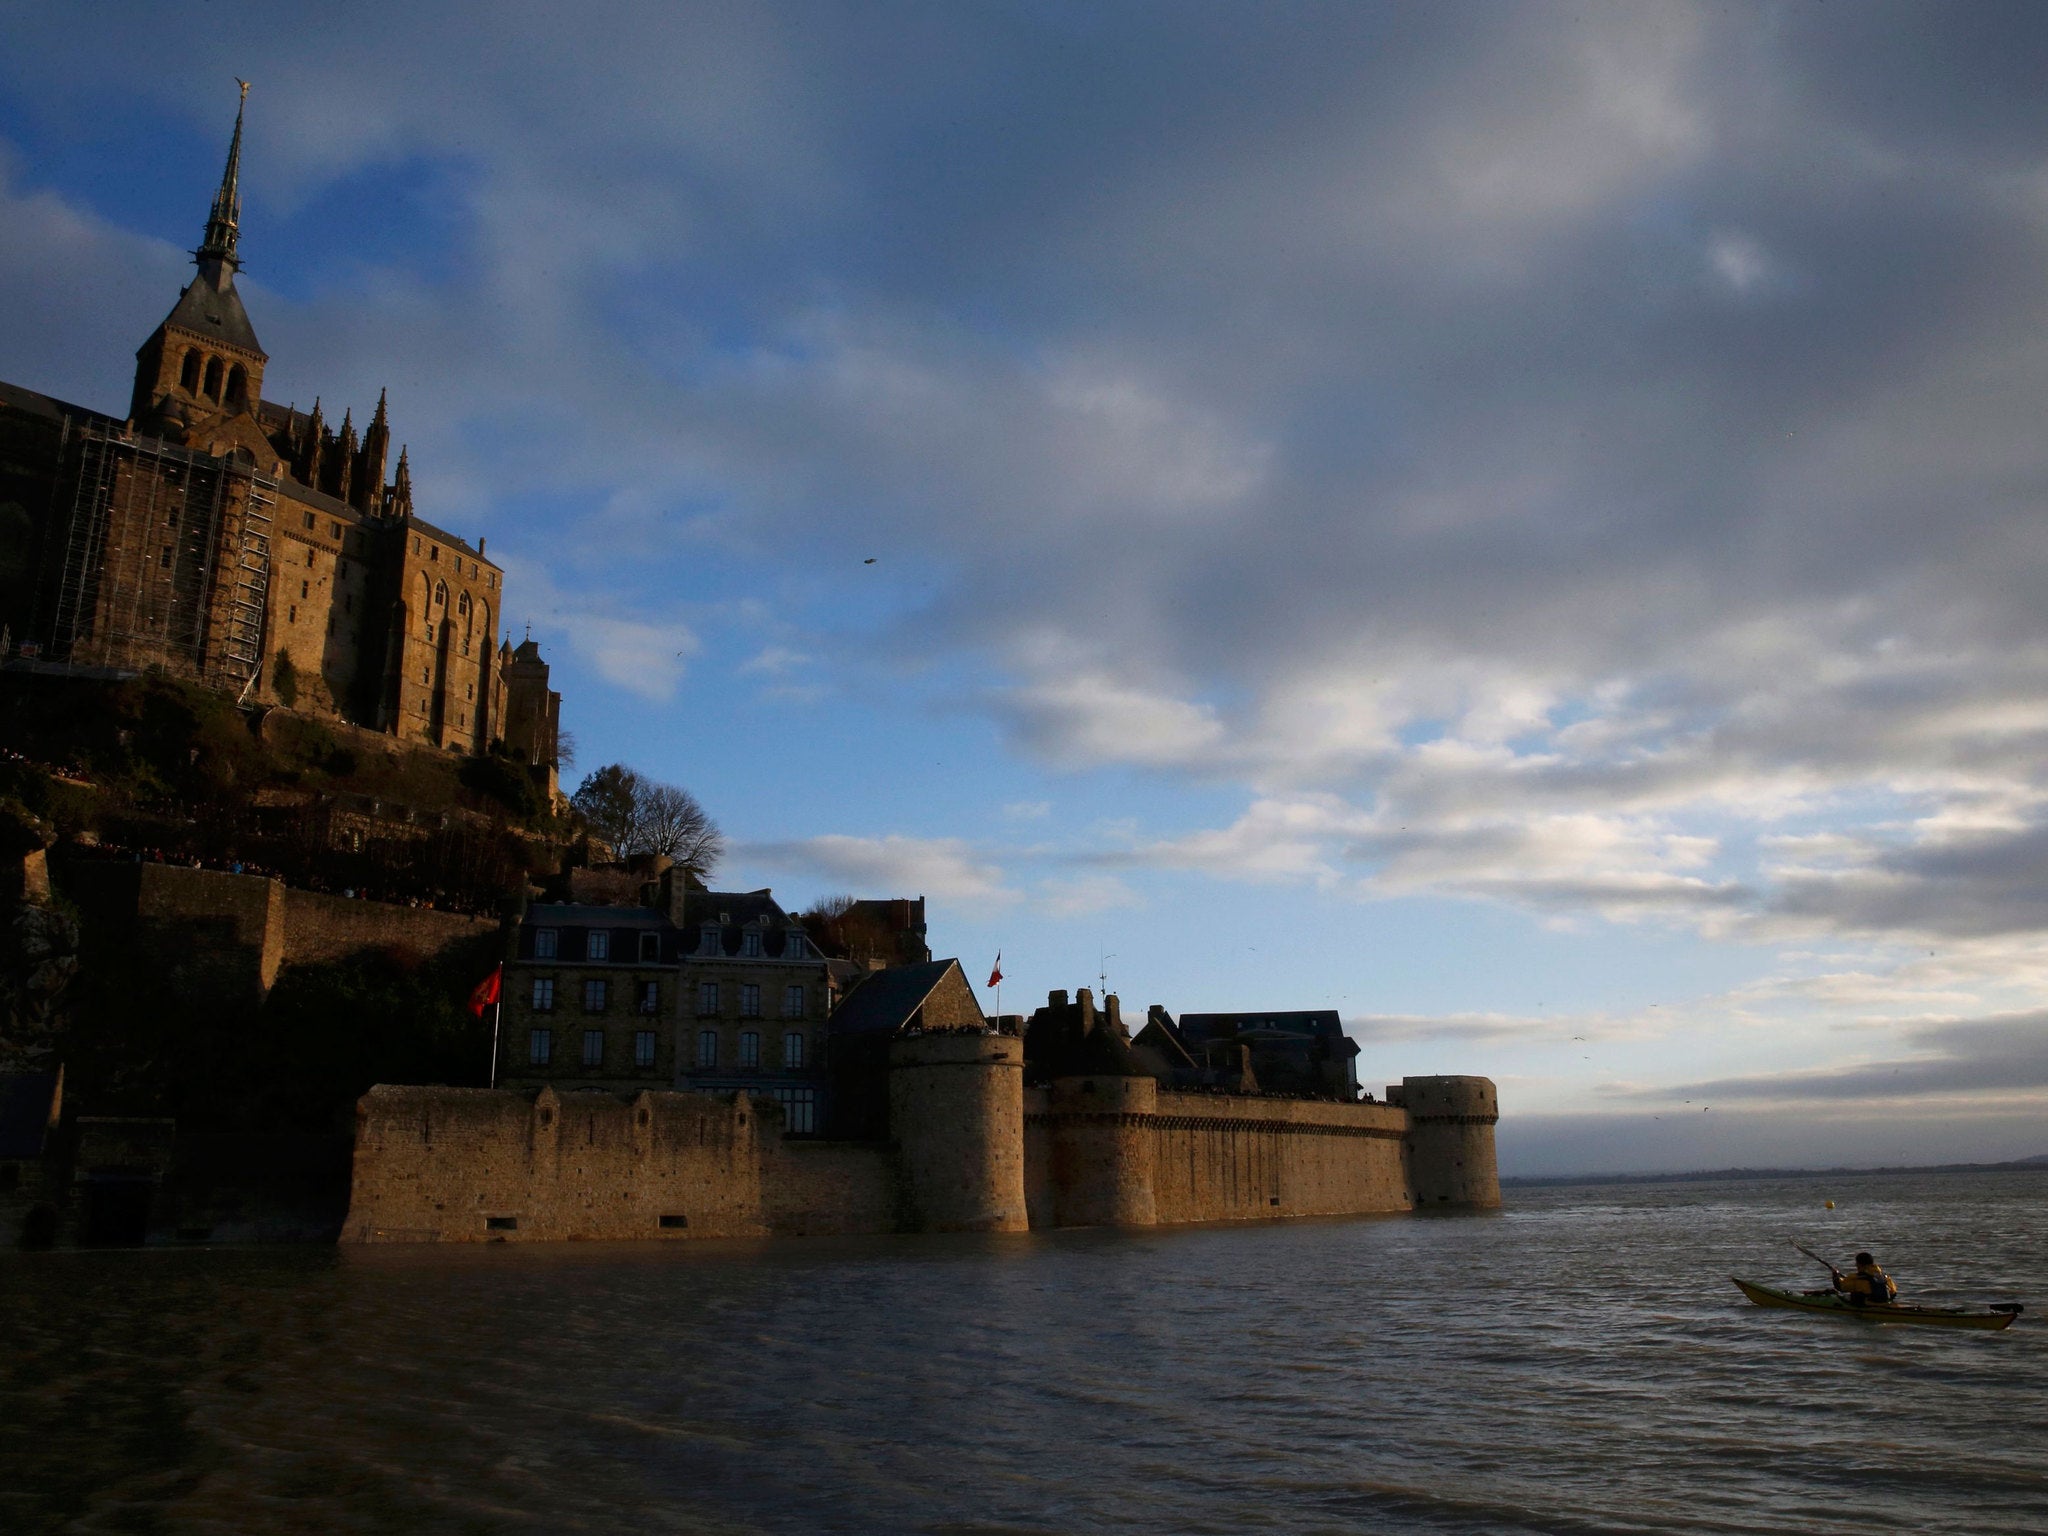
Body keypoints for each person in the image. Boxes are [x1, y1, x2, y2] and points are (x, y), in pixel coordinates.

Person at [1834, 1252, 1898, 1305]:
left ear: (1860, 1264)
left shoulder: (1858, 1278)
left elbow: (1840, 1287)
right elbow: (1894, 1293)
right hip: (1885, 1303)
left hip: (1869, 1305)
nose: (1856, 1265)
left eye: (1857, 1263)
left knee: (1853, 1295)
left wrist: (1835, 1276)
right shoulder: (1885, 1277)